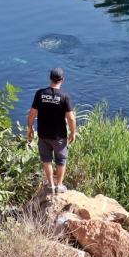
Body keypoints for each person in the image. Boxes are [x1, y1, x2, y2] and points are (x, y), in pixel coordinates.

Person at [26, 67, 76, 196]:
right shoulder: (65, 97)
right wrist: (73, 132)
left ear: (50, 78)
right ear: (62, 80)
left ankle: (51, 185)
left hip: (43, 134)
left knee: (46, 160)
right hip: (59, 136)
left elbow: (31, 114)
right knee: (61, 160)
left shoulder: (40, 94)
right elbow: (71, 118)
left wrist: (30, 128)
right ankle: (59, 185)